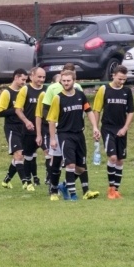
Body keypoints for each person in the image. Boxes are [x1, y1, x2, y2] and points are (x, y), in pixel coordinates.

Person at [47, 70, 101, 201]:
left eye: (68, 80)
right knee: (70, 165)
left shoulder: (80, 95)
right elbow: (51, 120)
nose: (66, 83)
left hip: (79, 134)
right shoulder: (58, 98)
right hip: (65, 135)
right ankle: (73, 194)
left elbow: (89, 111)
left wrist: (95, 127)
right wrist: (53, 138)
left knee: (81, 168)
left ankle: (64, 186)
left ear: (74, 81)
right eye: (63, 81)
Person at [38, 63, 82, 200]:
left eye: (70, 76)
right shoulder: (52, 89)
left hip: (73, 131)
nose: (66, 82)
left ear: (74, 77)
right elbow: (46, 109)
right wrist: (53, 126)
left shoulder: (78, 89)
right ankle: (53, 190)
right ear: (61, 76)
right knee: (56, 161)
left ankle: (66, 186)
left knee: (78, 165)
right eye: (64, 78)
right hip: (58, 130)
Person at [92, 65, 134, 199]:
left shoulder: (127, 91)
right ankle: (111, 189)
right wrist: (95, 127)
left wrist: (125, 128)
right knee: (113, 158)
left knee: (120, 160)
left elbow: (131, 112)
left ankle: (116, 190)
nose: (122, 82)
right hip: (108, 128)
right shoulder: (104, 89)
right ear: (113, 75)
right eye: (119, 79)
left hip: (121, 129)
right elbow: (97, 110)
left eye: (124, 79)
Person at [0, 69, 33, 191]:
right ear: (16, 78)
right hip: (12, 128)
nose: (24, 82)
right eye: (23, 79)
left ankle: (6, 180)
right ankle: (25, 182)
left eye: (26, 80)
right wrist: (16, 110)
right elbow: (0, 112)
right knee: (19, 154)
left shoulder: (25, 92)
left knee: (19, 156)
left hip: (23, 127)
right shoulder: (7, 93)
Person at [14, 66, 47, 188]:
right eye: (39, 77)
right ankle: (28, 181)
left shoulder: (47, 90)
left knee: (48, 153)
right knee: (28, 156)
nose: (41, 79)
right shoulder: (25, 90)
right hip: (29, 129)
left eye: (43, 77)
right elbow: (18, 109)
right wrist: (26, 121)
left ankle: (49, 179)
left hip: (44, 129)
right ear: (32, 76)